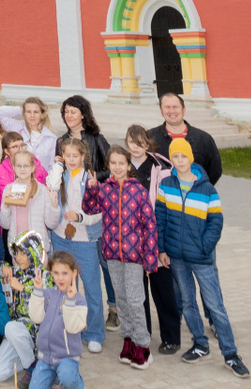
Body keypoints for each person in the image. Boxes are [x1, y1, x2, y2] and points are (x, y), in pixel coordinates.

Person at [157, 137, 247, 377]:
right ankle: (200, 343)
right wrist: (162, 250)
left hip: (201, 257)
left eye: (183, 156)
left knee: (215, 305)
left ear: (191, 158)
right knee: (187, 302)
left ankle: (230, 354)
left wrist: (204, 247)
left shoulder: (207, 189)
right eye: (175, 157)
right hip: (176, 257)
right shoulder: (166, 185)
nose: (180, 161)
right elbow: (160, 218)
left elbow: (216, 221)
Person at [90, 146, 160, 368]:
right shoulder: (104, 189)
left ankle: (143, 345)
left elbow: (150, 226)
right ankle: (128, 340)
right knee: (120, 299)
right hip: (112, 254)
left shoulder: (138, 191)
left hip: (134, 256)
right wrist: (91, 188)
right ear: (108, 165)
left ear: (128, 166)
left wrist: (150, 258)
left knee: (135, 300)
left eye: (121, 163)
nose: (117, 167)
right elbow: (89, 209)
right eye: (113, 163)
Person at [123, 124, 182, 354]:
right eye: (131, 142)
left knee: (163, 291)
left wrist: (162, 244)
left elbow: (166, 208)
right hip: (130, 241)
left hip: (155, 239)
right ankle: (142, 335)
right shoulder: (121, 165)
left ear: (148, 143)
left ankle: (171, 338)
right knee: (138, 294)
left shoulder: (161, 168)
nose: (136, 147)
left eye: (140, 143)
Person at [45, 135, 106, 353]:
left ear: (82, 157)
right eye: (67, 156)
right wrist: (58, 166)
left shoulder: (89, 180)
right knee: (66, 286)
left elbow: (98, 213)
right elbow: (51, 185)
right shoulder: (59, 177)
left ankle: (95, 333)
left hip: (84, 240)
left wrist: (79, 217)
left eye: (75, 156)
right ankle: (70, 328)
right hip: (61, 237)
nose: (71, 160)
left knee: (91, 287)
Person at [27, 250, 91, 389]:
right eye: (56, 273)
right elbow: (36, 317)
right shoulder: (48, 294)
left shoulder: (79, 301)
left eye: (65, 273)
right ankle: (54, 377)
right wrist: (37, 291)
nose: (60, 278)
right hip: (46, 358)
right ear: (51, 273)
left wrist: (70, 301)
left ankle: (77, 387)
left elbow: (73, 327)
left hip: (66, 357)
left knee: (68, 378)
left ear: (73, 273)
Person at [0, 231, 49, 389]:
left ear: (33, 253)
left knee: (10, 327)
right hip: (16, 335)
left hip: (35, 333)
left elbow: (47, 301)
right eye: (16, 253)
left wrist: (22, 288)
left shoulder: (45, 275)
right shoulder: (15, 271)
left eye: (23, 253)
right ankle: (28, 361)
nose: (18, 258)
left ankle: (32, 366)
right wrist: (4, 266)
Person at [147, 91, 223, 185]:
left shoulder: (203, 139)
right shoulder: (150, 138)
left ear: (184, 110)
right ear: (161, 111)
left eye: (175, 107)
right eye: (167, 107)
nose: (172, 111)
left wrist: (200, 188)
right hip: (162, 193)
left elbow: (215, 170)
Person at [0, 146, 52, 249]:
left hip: (38, 247)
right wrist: (5, 205)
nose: (22, 169)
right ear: (13, 167)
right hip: (18, 247)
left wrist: (54, 206)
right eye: (18, 166)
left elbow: (51, 224)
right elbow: (5, 224)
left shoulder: (42, 190)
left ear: (32, 168)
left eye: (26, 166)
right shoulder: (9, 189)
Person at [59, 95, 111, 179]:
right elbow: (59, 170)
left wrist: (91, 177)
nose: (69, 115)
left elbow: (113, 168)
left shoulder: (96, 139)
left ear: (83, 115)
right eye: (66, 112)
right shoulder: (61, 141)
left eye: (73, 112)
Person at [5, 97, 57, 170]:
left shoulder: (51, 139)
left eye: (36, 112)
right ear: (24, 113)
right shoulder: (17, 128)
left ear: (42, 114)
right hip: (18, 176)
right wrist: (20, 110)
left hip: (42, 177)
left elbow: (53, 166)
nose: (32, 116)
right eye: (29, 112)